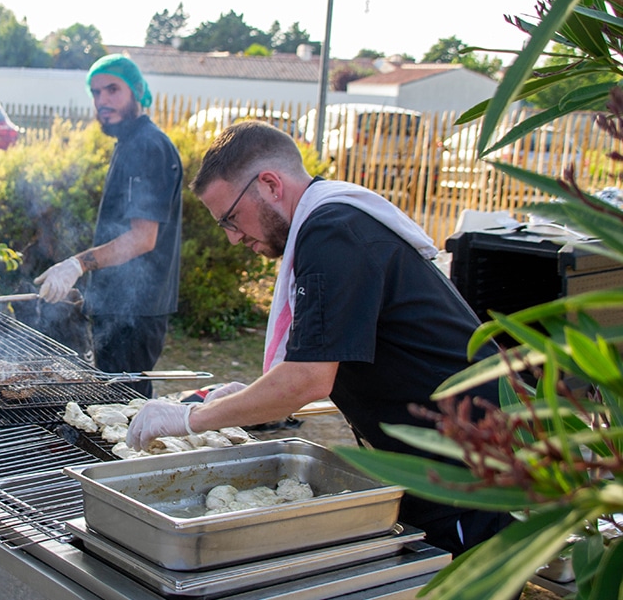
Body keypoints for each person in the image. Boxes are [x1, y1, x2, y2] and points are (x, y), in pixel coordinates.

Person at [125, 120, 512, 556]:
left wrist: (190, 420)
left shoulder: (333, 232)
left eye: (231, 219)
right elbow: (329, 359)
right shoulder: (331, 222)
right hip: (431, 461)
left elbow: (308, 379)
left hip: (467, 472)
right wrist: (248, 396)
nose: (233, 238)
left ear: (270, 184)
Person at [33, 54, 183, 397]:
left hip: (135, 311)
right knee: (113, 404)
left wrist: (78, 264)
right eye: (96, 93)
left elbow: (143, 239)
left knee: (122, 407)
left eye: (113, 90)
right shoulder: (130, 144)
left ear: (138, 92)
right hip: (120, 306)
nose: (102, 101)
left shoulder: (148, 146)